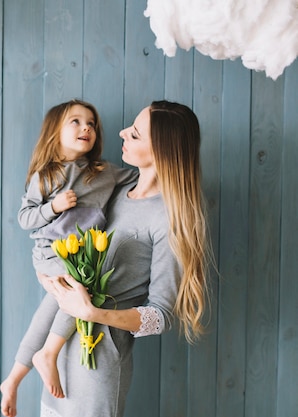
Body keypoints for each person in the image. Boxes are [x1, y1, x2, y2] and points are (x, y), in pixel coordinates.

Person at [32, 100, 211, 417]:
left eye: (136, 134)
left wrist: (91, 311)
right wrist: (48, 272)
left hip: (96, 370)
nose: (121, 133)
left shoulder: (168, 218)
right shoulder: (111, 184)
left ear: (163, 151)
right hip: (57, 360)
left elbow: (161, 316)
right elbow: (59, 232)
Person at [0, 99, 137, 417]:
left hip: (82, 259)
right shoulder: (46, 176)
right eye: (75, 121)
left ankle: (13, 378)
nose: (86, 127)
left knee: (51, 310)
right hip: (52, 253)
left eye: (91, 123)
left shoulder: (103, 172)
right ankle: (48, 354)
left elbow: (140, 179)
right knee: (79, 289)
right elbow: (25, 218)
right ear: (54, 133)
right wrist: (54, 207)